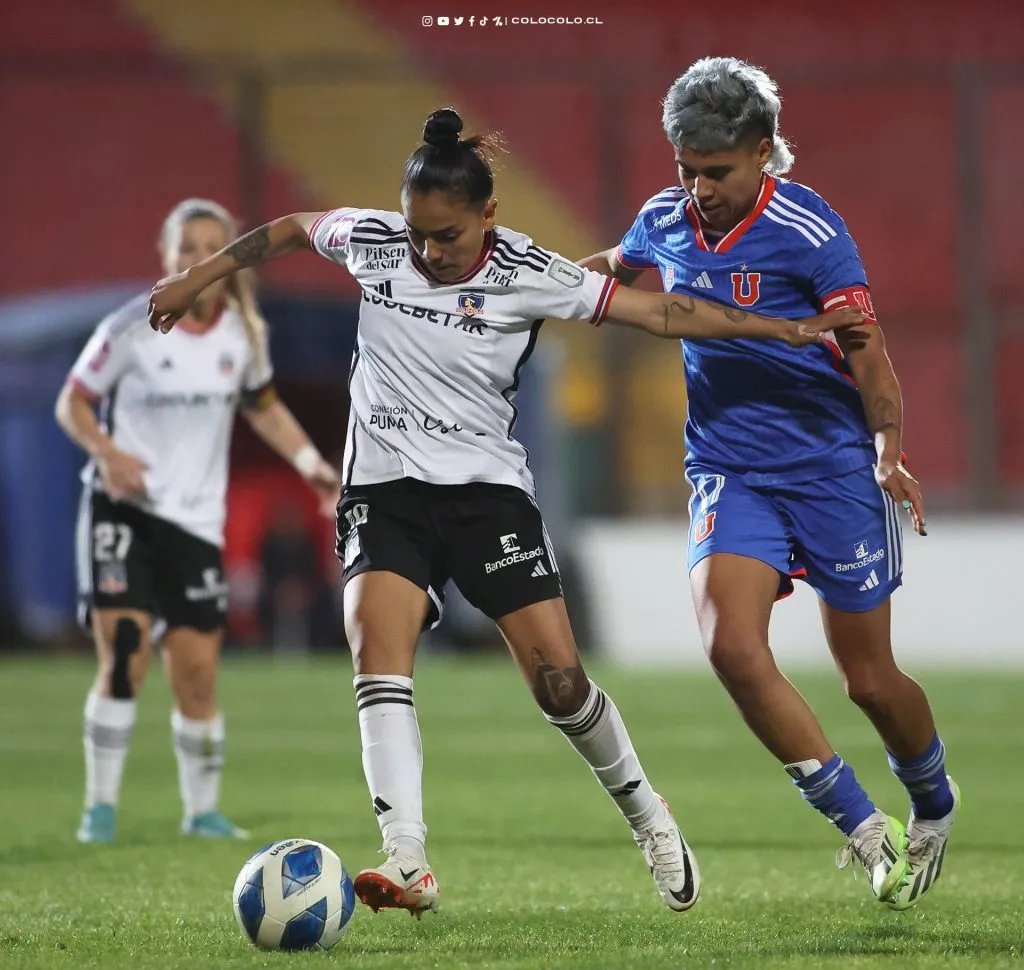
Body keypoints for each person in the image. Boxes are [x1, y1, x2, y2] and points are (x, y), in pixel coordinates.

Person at [147, 108, 861, 917]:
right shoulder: (375, 240)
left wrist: (788, 329)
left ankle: (646, 815)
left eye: (445, 235)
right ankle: (406, 855)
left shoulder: (530, 271)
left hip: (488, 496)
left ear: (488, 215)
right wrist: (195, 281)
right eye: (417, 232)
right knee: (376, 654)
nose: (426, 251)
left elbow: (665, 312)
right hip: (384, 490)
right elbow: (286, 230)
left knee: (560, 686)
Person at [580, 58, 957, 910]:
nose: (698, 187)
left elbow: (866, 344)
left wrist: (888, 447)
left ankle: (933, 800)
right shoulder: (665, 219)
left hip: (829, 468)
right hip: (729, 469)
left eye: (715, 171)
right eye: (685, 169)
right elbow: (620, 262)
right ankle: (865, 830)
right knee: (731, 647)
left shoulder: (810, 230)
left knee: (869, 682)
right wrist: (542, 283)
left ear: (762, 153)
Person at [56, 198, 340, 844]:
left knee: (198, 674)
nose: (195, 259)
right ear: (165, 256)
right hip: (124, 511)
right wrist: (106, 451)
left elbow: (262, 405)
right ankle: (99, 810)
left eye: (209, 246)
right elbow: (72, 402)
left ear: (229, 258)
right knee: (126, 658)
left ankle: (202, 812)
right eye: (184, 247)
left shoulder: (243, 336)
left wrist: (308, 462)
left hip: (196, 524)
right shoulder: (131, 327)